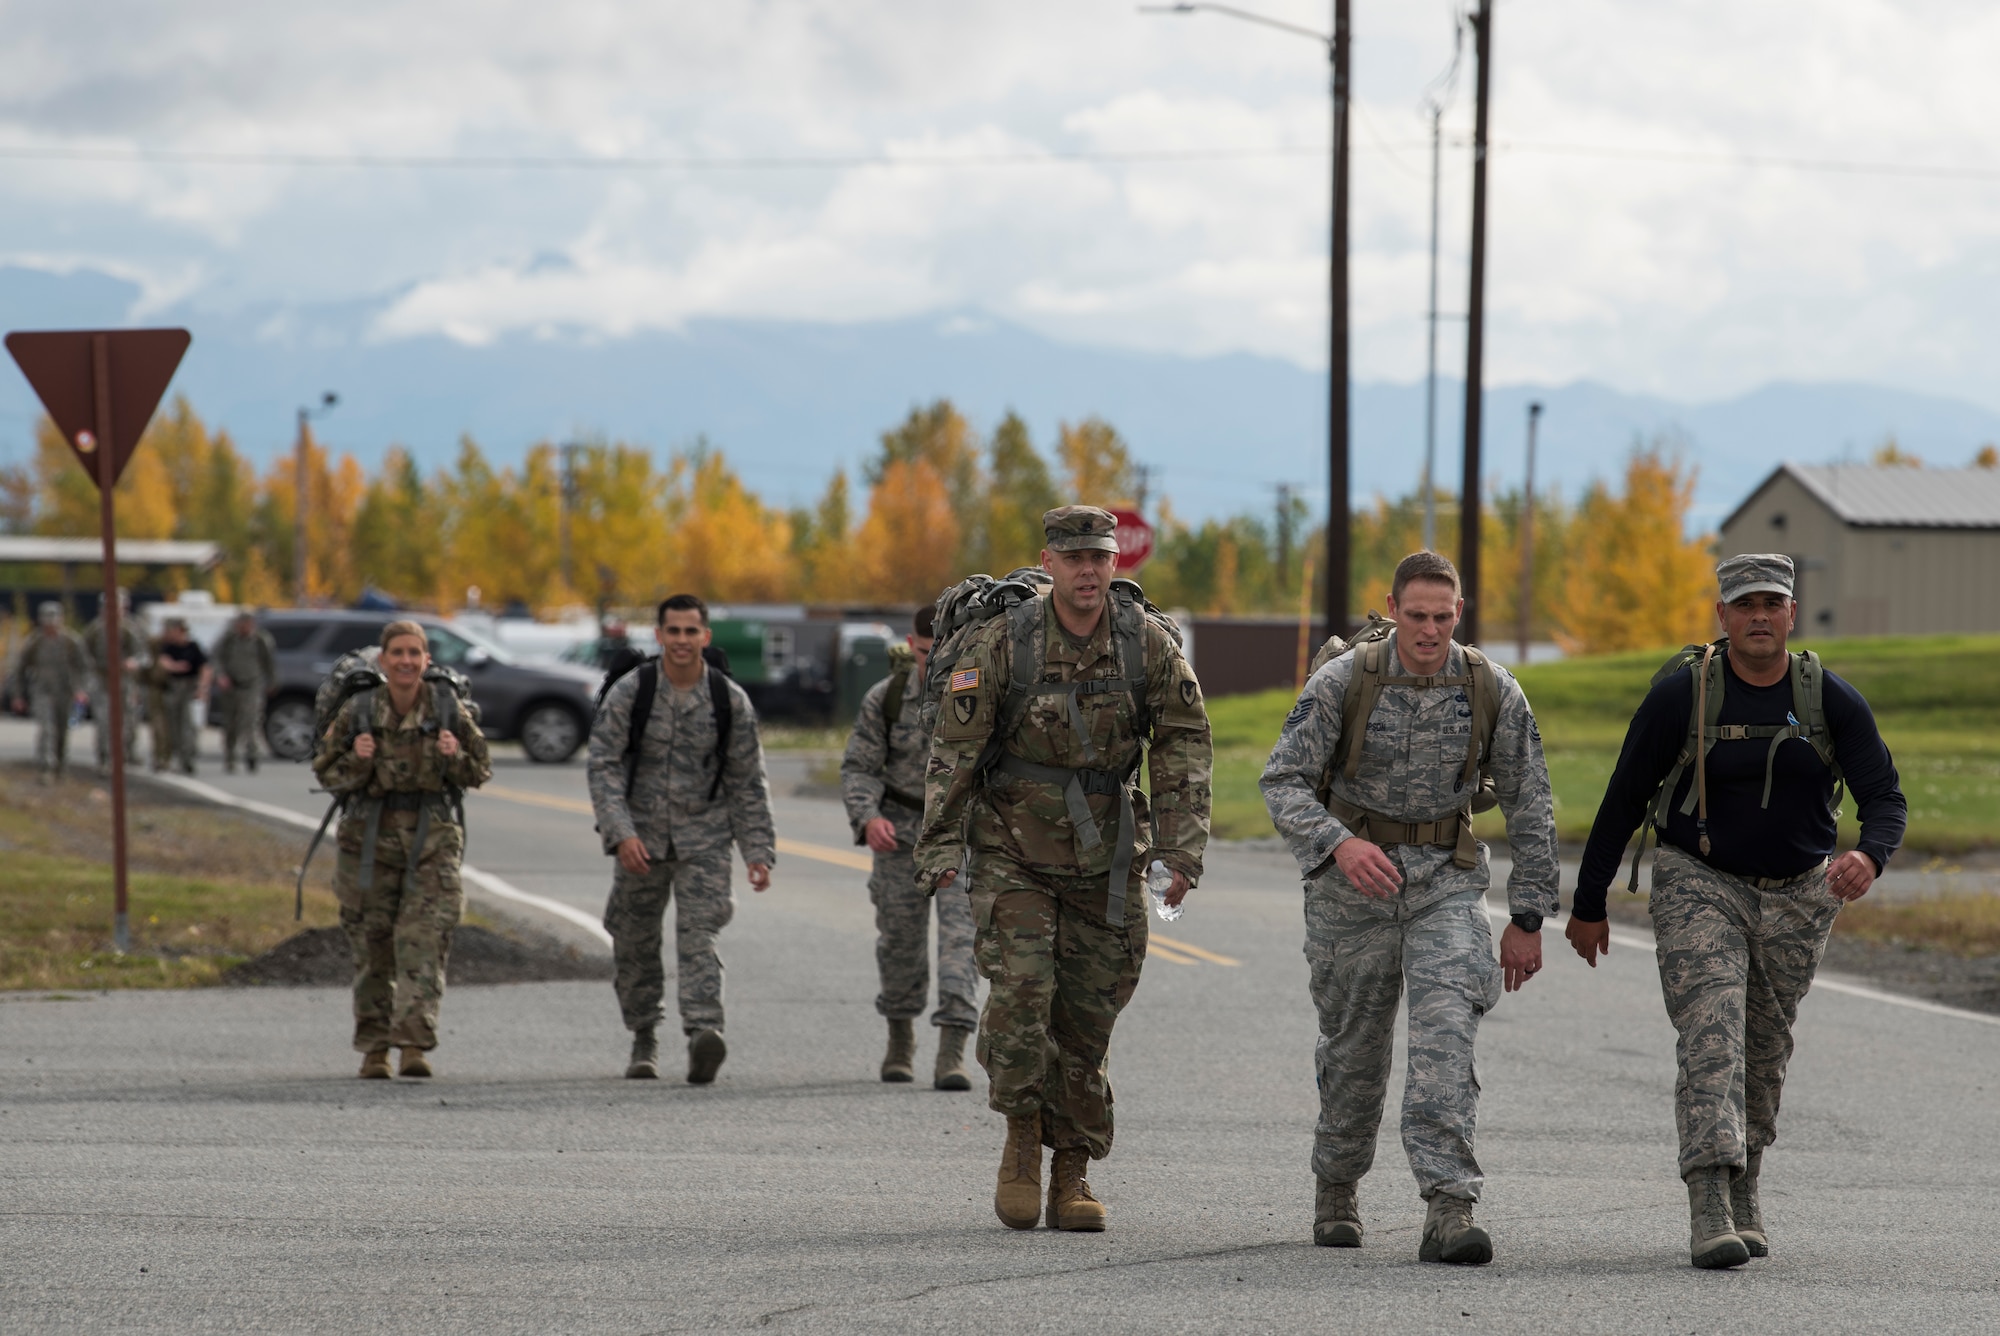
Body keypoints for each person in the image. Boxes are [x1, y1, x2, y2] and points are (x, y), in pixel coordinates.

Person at [1563, 553, 1907, 1270]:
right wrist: (1588, 904)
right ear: (1721, 617)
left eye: (1771, 604)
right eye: (1743, 604)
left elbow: (1885, 796)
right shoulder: (1682, 696)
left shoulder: (1829, 698)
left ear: (1790, 613)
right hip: (1701, 882)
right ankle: (1709, 1201)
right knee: (1712, 1033)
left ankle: (1746, 1184)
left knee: (1766, 1049)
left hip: (1800, 897)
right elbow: (1624, 798)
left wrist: (1869, 856)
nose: (1758, 616)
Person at [915, 506, 1211, 1234]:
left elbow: (1182, 747)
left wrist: (1182, 850)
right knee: (1021, 998)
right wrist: (939, 846)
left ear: (1116, 565)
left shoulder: (1147, 647)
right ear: (1047, 562)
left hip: (1107, 858)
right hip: (1012, 850)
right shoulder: (1002, 643)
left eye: (1100, 558)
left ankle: (1071, 1168)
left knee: (1087, 1020)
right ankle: (1021, 1139)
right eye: (1074, 558)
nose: (1088, 571)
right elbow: (954, 751)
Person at [1260, 550, 1558, 1265]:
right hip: (1350, 891)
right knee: (1355, 1051)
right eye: (1416, 615)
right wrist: (1339, 845)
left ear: (1460, 615)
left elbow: (1531, 800)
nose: (1428, 630)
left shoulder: (1491, 687)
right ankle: (1336, 1187)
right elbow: (1283, 782)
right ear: (1392, 609)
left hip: (1445, 884)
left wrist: (1527, 917)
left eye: (1442, 616)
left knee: (1445, 1039)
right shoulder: (1343, 681)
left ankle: (1449, 1207)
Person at [586, 593, 775, 1085]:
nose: (683, 640)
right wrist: (620, 833)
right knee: (632, 939)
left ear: (706, 637)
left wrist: (758, 851)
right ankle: (644, 1034)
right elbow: (603, 766)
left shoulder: (728, 700)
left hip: (705, 840)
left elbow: (747, 780)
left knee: (698, 937)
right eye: (674, 631)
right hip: (640, 840)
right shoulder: (632, 692)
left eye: (692, 631)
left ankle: (703, 1033)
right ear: (659, 636)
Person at [313, 620, 492, 1079]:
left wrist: (454, 755)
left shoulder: (447, 707)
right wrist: (359, 756)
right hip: (368, 843)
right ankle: (374, 1050)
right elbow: (327, 773)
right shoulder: (359, 711)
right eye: (398, 653)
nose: (407, 661)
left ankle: (413, 1045)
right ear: (384, 660)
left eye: (415, 653)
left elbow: (479, 771)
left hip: (431, 842)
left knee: (423, 943)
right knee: (373, 947)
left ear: (426, 660)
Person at [841, 603, 977, 1090]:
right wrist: (868, 816)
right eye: (925, 652)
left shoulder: (979, 696)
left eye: (944, 650)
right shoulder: (888, 697)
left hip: (961, 833)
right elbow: (858, 766)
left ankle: (952, 1051)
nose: (934, 661)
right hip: (900, 831)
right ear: (910, 645)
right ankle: (900, 1040)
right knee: (899, 942)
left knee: (962, 944)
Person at [9, 603, 89, 784]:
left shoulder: (71, 642)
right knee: (47, 728)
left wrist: (81, 689)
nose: (51, 625)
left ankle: (60, 766)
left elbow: (84, 667)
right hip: (42, 691)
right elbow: (20, 670)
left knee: (62, 730)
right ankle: (45, 767)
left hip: (64, 691)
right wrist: (18, 695)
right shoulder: (35, 642)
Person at [82, 589, 147, 775]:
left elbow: (143, 654)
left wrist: (133, 662)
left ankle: (124, 755)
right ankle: (104, 758)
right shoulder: (95, 629)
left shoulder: (130, 629)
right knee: (104, 721)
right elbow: (83, 655)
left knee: (127, 720)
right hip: (102, 681)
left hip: (124, 681)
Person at [213, 609, 278, 773]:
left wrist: (272, 682)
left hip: (252, 685)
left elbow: (269, 662)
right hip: (231, 685)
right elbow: (216, 658)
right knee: (231, 723)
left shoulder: (260, 640)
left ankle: (252, 754)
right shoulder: (229, 639)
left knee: (251, 720)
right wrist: (221, 676)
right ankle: (230, 757)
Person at [152, 617, 211, 775]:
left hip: (188, 688)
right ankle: (171, 757)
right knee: (171, 726)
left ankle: (188, 759)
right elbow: (163, 661)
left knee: (188, 725)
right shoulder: (169, 647)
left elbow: (205, 667)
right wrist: (175, 666)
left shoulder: (193, 647)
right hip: (173, 687)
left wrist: (202, 688)